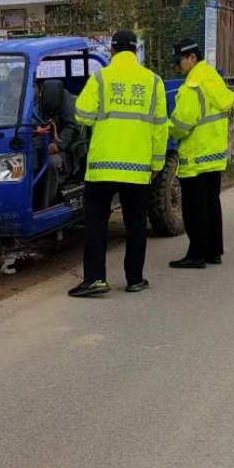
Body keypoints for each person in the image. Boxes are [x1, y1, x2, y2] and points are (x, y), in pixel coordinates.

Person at [69, 29, 168, 297]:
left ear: (112, 50)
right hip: (137, 168)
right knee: (136, 223)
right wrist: (157, 163)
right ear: (135, 51)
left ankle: (95, 279)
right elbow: (160, 126)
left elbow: (83, 115)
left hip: (102, 167)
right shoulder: (153, 81)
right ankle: (135, 279)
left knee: (96, 223)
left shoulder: (101, 77)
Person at [167, 41, 234, 269]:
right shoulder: (213, 78)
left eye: (180, 61)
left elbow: (181, 123)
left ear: (192, 58)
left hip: (195, 156)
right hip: (214, 155)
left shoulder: (192, 86)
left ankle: (196, 254)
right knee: (211, 204)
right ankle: (214, 252)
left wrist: (168, 129)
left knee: (194, 208)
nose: (178, 66)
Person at [32, 74, 82, 207]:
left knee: (50, 164)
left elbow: (72, 126)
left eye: (31, 86)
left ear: (39, 85)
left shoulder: (57, 96)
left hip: (57, 151)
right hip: (25, 150)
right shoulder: (11, 104)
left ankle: (43, 207)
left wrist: (58, 144)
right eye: (14, 85)